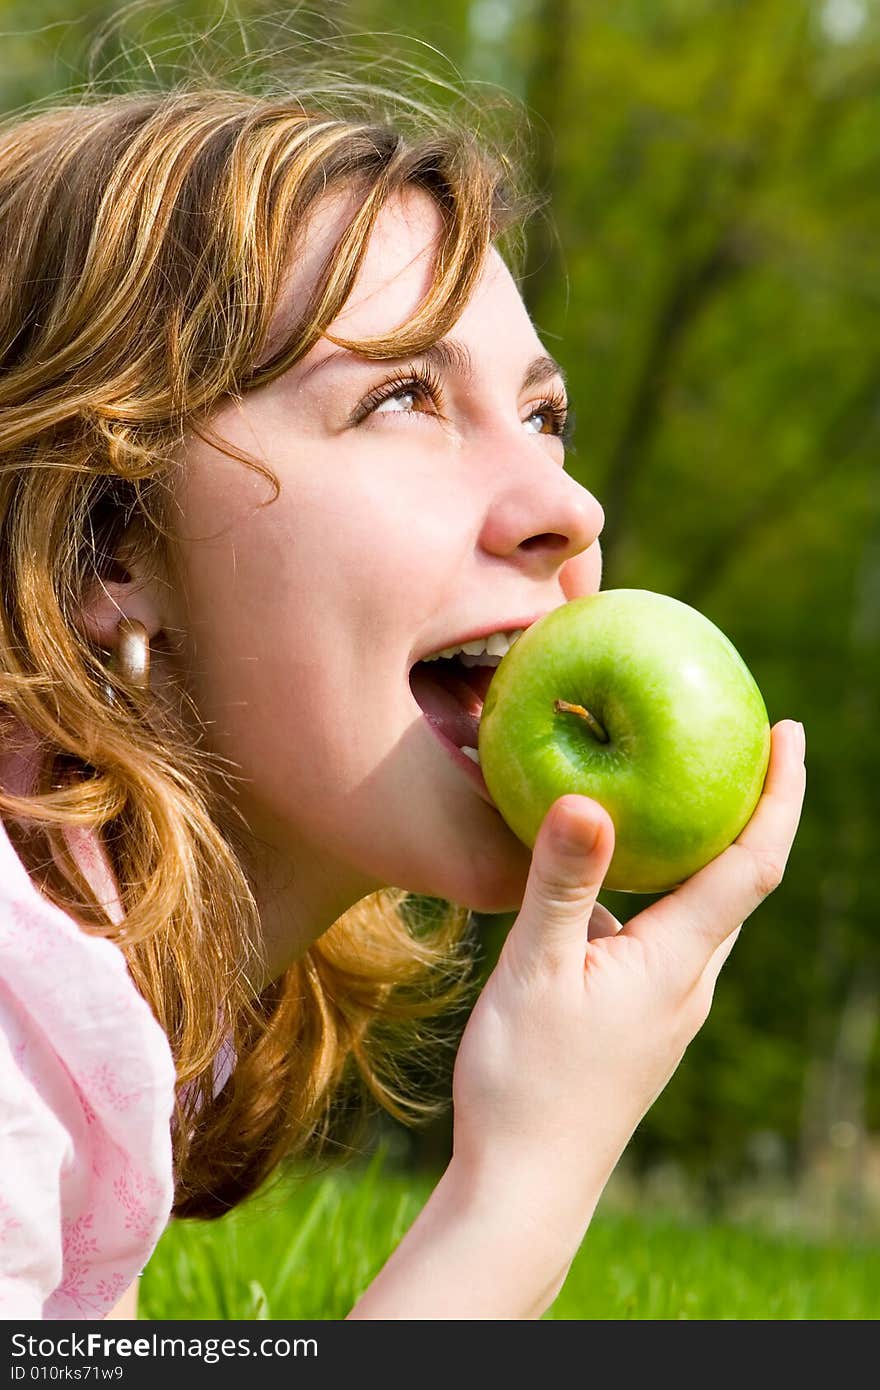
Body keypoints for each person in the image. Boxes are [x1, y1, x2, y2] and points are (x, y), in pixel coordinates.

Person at [0, 77, 807, 1322]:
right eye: (402, 398)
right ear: (114, 541)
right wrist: (523, 1184)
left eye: (547, 416)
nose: (570, 507)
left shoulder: (118, 1014)